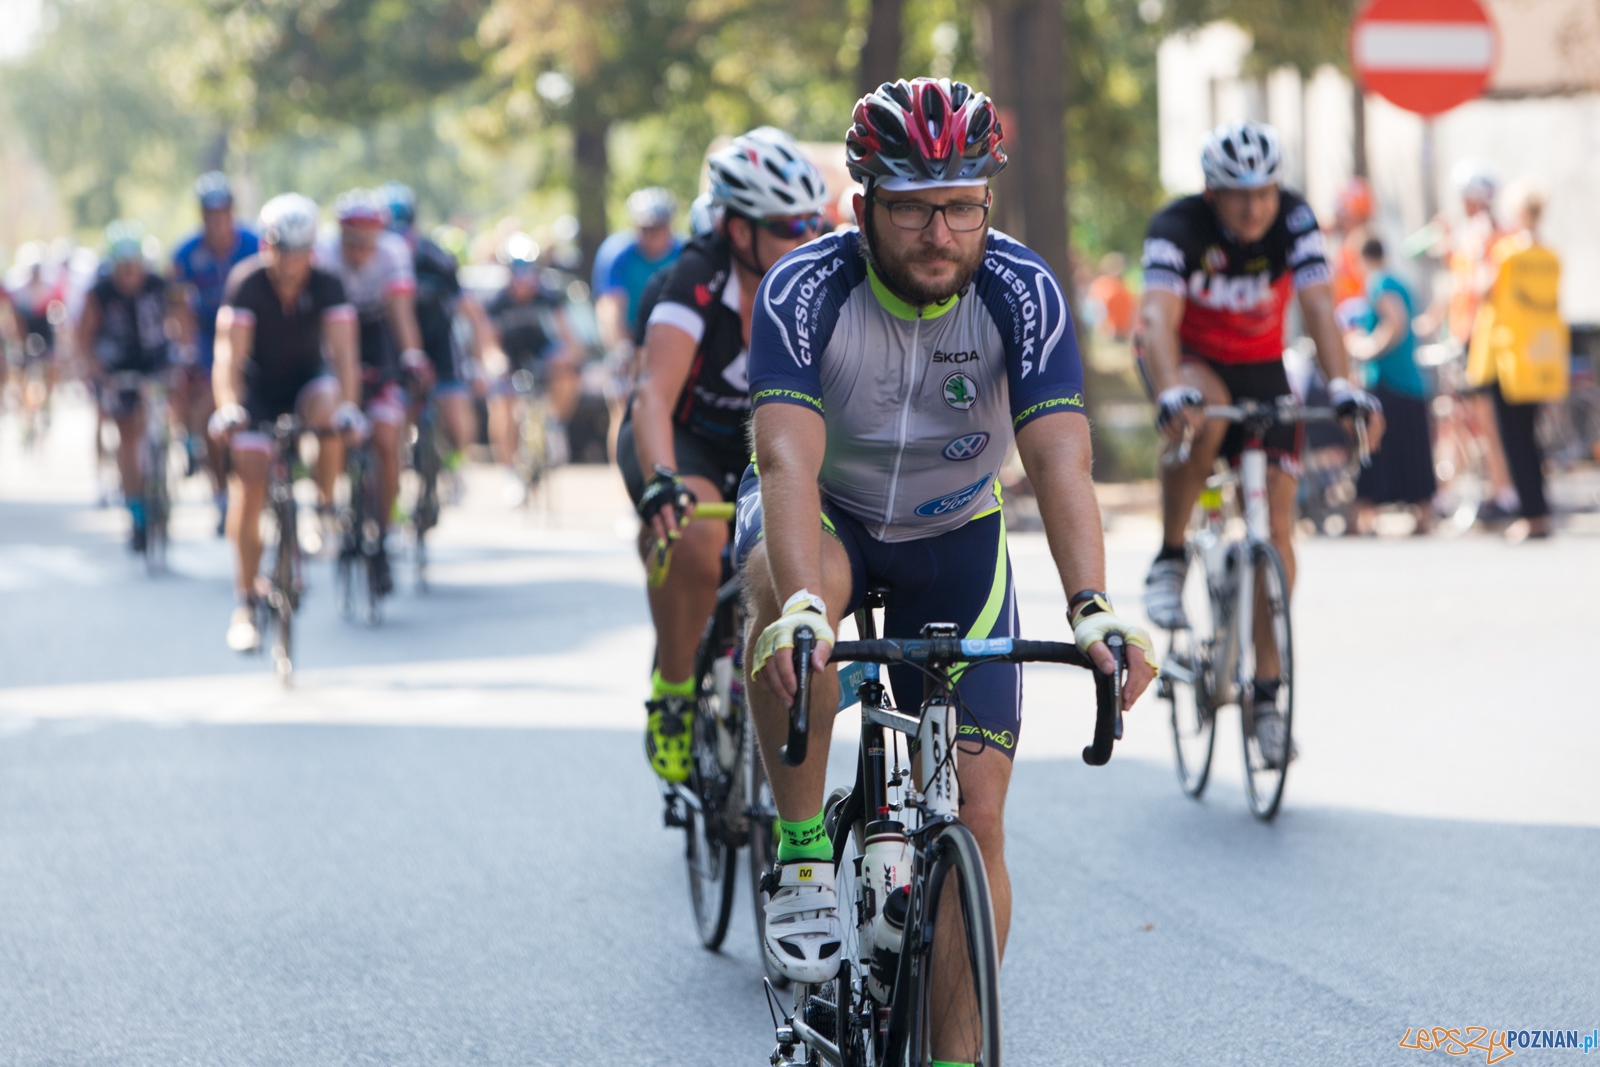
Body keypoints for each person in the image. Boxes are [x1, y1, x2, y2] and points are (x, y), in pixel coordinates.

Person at [737, 78, 1155, 991]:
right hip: (832, 519)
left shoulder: (1021, 288)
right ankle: (805, 846)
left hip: (957, 532)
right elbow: (786, 464)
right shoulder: (804, 288)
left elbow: (1059, 464)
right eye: (915, 211)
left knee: (981, 821)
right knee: (781, 598)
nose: (941, 235)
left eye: (962, 208)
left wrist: (1093, 607)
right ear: (864, 205)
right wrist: (806, 606)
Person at [1137, 120, 1381, 761]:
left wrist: (1342, 386)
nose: (1254, 208)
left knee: (1276, 531)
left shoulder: (1294, 220)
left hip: (1263, 368)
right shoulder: (1178, 226)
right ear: (1212, 194)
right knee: (1204, 412)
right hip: (1190, 364)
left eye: (1265, 193)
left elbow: (1321, 305)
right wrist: (1168, 390)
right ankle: (1170, 555)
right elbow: (1157, 316)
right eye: (1239, 194)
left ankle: (1267, 697)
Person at [620, 126, 830, 784]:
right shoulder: (695, 278)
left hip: (762, 441)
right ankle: (675, 688)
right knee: (693, 532)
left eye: (814, 222)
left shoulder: (817, 279)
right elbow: (651, 395)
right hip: (683, 436)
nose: (807, 238)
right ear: (740, 232)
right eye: (789, 225)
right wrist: (660, 481)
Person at [209, 194, 366, 651]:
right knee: (250, 481)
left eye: (301, 250)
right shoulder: (247, 283)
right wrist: (227, 406)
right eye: (282, 248)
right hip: (257, 392)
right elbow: (228, 358)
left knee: (331, 407)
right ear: (267, 245)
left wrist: (351, 408)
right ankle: (244, 603)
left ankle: (321, 509)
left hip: (307, 384)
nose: (291, 260)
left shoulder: (329, 284)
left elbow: (344, 356)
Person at [314, 189, 423, 586]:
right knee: (330, 422)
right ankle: (325, 505)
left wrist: (411, 355)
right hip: (333, 337)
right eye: (352, 240)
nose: (360, 250)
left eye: (367, 241)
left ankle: (387, 528)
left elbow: (401, 312)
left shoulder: (393, 252)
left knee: (387, 435)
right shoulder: (323, 252)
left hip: (377, 339)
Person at [378, 180, 501, 468]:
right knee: (393, 414)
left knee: (455, 413)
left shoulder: (436, 259)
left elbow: (471, 312)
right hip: (393, 343)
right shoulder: (376, 261)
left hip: (438, 339)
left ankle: (456, 464)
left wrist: (485, 361)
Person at [1467, 180, 1565, 541]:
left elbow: (1481, 288)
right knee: (1531, 438)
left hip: (1506, 355)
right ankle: (1539, 509)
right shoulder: (1551, 256)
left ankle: (1531, 513)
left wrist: (1479, 251)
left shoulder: (1506, 252)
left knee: (1514, 440)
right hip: (1539, 354)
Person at [75, 223, 180, 551]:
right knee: (128, 434)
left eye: (134, 267)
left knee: (162, 416)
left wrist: (184, 357)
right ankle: (135, 508)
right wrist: (95, 370)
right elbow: (84, 338)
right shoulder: (100, 292)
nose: (129, 275)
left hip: (156, 361)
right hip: (118, 367)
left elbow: (182, 320)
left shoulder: (159, 285)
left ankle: (168, 460)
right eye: (122, 268)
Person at [171, 172, 261, 532]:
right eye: (209, 214)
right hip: (209, 335)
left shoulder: (254, 244)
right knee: (213, 406)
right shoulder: (185, 253)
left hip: (253, 331)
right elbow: (180, 311)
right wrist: (189, 350)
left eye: (222, 212)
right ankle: (221, 491)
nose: (216, 220)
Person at [1433, 160, 1519, 522]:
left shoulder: (1494, 237)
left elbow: (1483, 287)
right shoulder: (1470, 237)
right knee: (1461, 415)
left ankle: (1505, 490)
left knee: (1489, 418)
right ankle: (1482, 488)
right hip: (1464, 337)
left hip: (1484, 340)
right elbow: (1456, 285)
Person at [1346, 238, 1435, 534]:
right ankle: (1422, 513)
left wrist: (1367, 347)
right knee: (1413, 450)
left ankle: (1363, 516)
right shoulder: (1401, 281)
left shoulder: (1379, 283)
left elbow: (1395, 321)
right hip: (1409, 380)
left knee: (1375, 447)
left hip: (1388, 380)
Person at [484, 246, 583, 501]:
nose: (523, 278)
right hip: (511, 358)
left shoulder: (550, 298)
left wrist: (563, 355)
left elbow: (571, 342)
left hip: (544, 355)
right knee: (502, 402)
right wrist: (496, 363)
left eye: (527, 271)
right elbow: (489, 344)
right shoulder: (498, 302)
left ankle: (555, 426)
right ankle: (511, 472)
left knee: (568, 375)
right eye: (517, 272)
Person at [592, 187, 682, 348]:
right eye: (645, 228)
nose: (651, 235)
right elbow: (609, 308)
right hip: (631, 336)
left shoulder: (684, 253)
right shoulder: (617, 253)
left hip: (675, 335)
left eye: (658, 227)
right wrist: (622, 349)